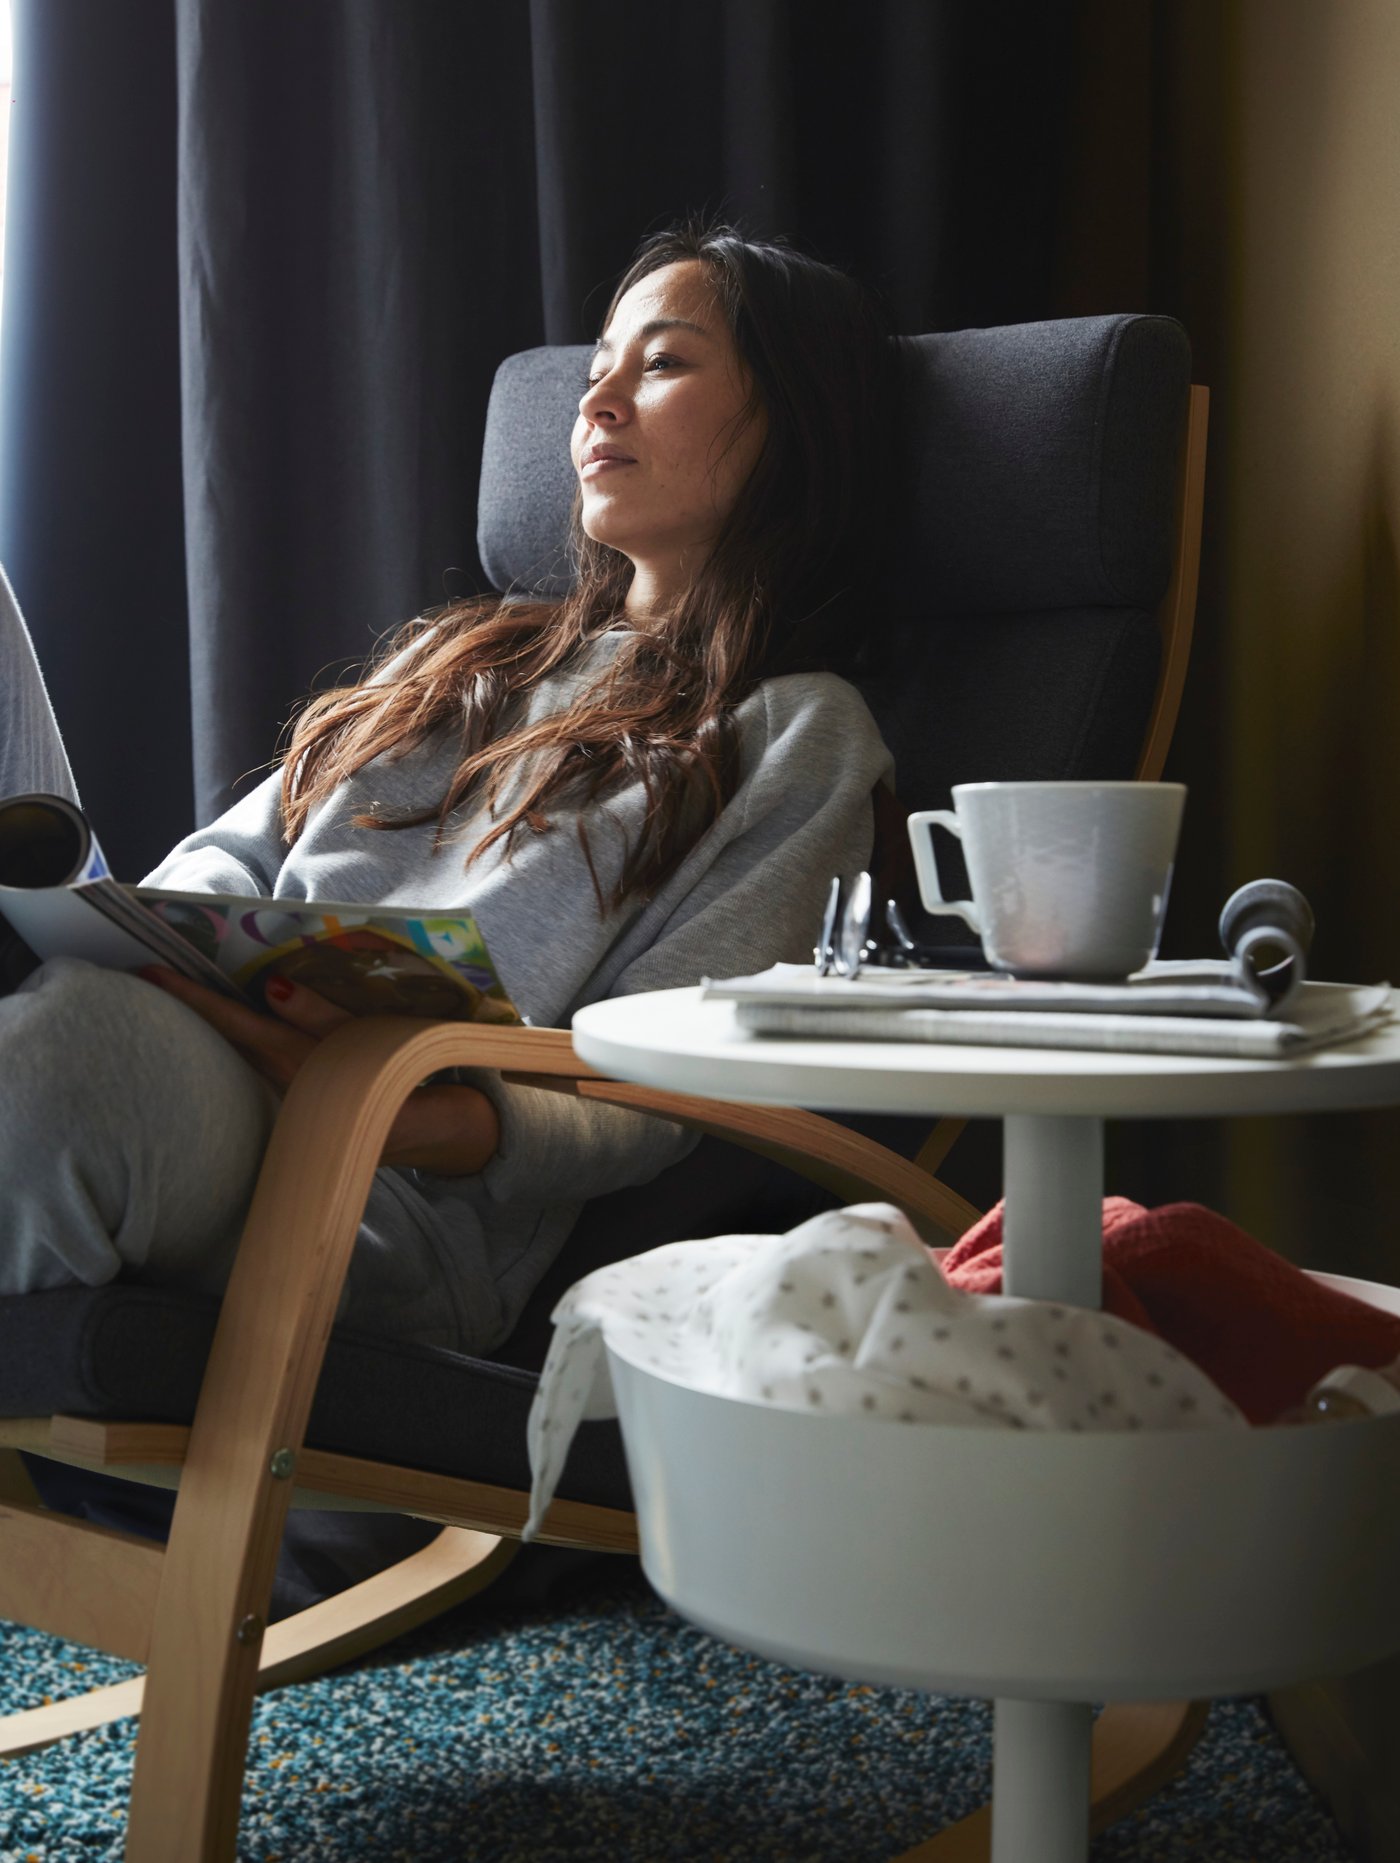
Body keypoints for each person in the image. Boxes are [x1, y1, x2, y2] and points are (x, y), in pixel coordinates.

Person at [0, 223, 897, 1357]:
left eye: (661, 364)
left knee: (77, 1058)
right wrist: (167, 938)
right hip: (211, 1058)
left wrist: (435, 1118)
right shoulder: (461, 663)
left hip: (389, 1198)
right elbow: (233, 856)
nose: (599, 403)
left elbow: (681, 1086)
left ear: (795, 424)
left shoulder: (794, 733)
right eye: (593, 372)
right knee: (77, 1023)